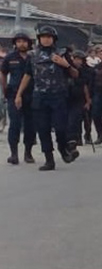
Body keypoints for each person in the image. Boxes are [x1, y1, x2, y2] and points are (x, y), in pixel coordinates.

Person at [15, 26, 80, 171]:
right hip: (40, 97)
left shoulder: (62, 53)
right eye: (43, 37)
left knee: (60, 128)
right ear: (39, 39)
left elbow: (75, 74)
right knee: (43, 129)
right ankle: (49, 159)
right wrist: (19, 94)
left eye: (49, 37)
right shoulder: (32, 55)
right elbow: (27, 75)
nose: (46, 39)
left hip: (59, 96)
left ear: (54, 39)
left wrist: (65, 64)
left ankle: (64, 150)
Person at [2, 31, 35, 165]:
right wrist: (5, 89)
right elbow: (3, 73)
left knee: (30, 125)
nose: (21, 44)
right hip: (13, 94)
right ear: (15, 43)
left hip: (32, 94)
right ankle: (14, 154)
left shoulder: (34, 57)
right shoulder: (10, 57)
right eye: (19, 41)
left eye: (24, 41)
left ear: (29, 43)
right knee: (14, 124)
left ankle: (28, 153)